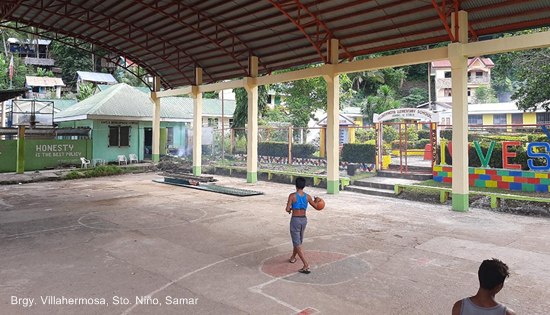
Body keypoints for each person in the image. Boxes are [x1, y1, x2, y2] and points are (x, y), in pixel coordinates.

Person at [285, 177, 322, 274]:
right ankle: (293, 257)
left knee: (297, 243)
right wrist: (318, 200)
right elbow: (316, 206)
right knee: (298, 241)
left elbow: (287, 209)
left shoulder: (292, 196)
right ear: (304, 186)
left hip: (295, 220)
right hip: (304, 220)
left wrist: (291, 209)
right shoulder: (308, 197)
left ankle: (306, 264)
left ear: (296, 185)